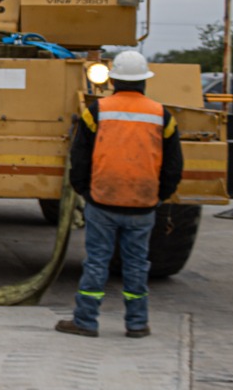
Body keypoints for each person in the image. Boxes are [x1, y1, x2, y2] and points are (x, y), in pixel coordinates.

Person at [56, 50, 183, 338]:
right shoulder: (162, 115)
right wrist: (159, 195)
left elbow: (79, 157)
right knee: (137, 264)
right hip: (142, 204)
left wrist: (85, 191)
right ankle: (137, 324)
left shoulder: (97, 111)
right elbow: (174, 164)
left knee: (97, 262)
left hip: (103, 199)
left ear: (113, 80)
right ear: (144, 82)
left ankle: (86, 321)